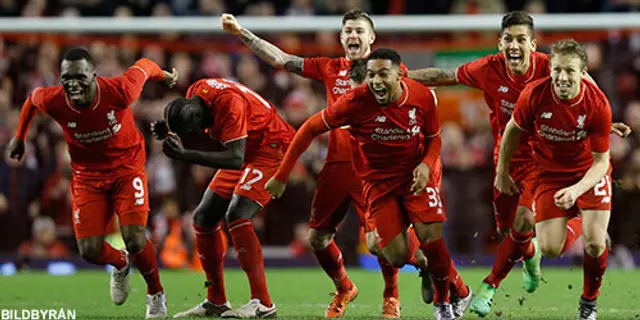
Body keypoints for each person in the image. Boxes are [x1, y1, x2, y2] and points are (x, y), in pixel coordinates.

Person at [221, 9, 464, 318]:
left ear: (371, 38)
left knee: (380, 242)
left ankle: (393, 296)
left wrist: (466, 75)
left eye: (360, 30)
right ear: (340, 37)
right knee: (317, 239)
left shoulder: (386, 69)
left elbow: (423, 81)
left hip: (376, 167)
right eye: (348, 30)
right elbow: (281, 60)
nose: (353, 35)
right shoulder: (329, 67)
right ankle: (345, 287)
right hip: (337, 165)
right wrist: (242, 32)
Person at [407, 11, 631, 316]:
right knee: (509, 232)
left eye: (521, 39)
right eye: (508, 39)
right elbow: (443, 77)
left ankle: (489, 288)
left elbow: (585, 85)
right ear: (500, 43)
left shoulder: (552, 68)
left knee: (528, 222)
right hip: (509, 156)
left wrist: (603, 121)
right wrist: (399, 76)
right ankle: (530, 256)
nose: (514, 45)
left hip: (543, 159)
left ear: (533, 44)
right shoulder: (491, 70)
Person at [7, 47, 177, 319]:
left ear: (94, 76)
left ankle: (155, 293)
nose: (72, 84)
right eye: (66, 78)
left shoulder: (120, 90)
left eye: (79, 77)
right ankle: (120, 263)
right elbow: (31, 101)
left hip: (127, 169)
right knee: (89, 250)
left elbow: (144, 65)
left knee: (134, 238)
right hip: (87, 177)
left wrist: (164, 75)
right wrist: (19, 137)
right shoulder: (54, 99)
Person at [154, 78, 294, 318]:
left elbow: (234, 159)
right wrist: (167, 130)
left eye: (193, 129)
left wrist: (186, 155)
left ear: (196, 117)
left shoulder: (230, 105)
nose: (196, 133)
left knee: (237, 213)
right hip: (246, 147)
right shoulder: (196, 94)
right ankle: (216, 300)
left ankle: (263, 303)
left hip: (271, 148)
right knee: (203, 217)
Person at [496, 38, 612, 320]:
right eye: (557, 69)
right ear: (550, 69)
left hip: (588, 173)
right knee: (549, 248)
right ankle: (581, 221)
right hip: (549, 174)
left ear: (583, 72)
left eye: (570, 71)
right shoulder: (534, 94)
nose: (562, 77)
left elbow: (602, 162)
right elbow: (512, 129)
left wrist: (576, 190)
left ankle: (588, 303)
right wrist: (502, 171)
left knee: (595, 244)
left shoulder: (597, 104)